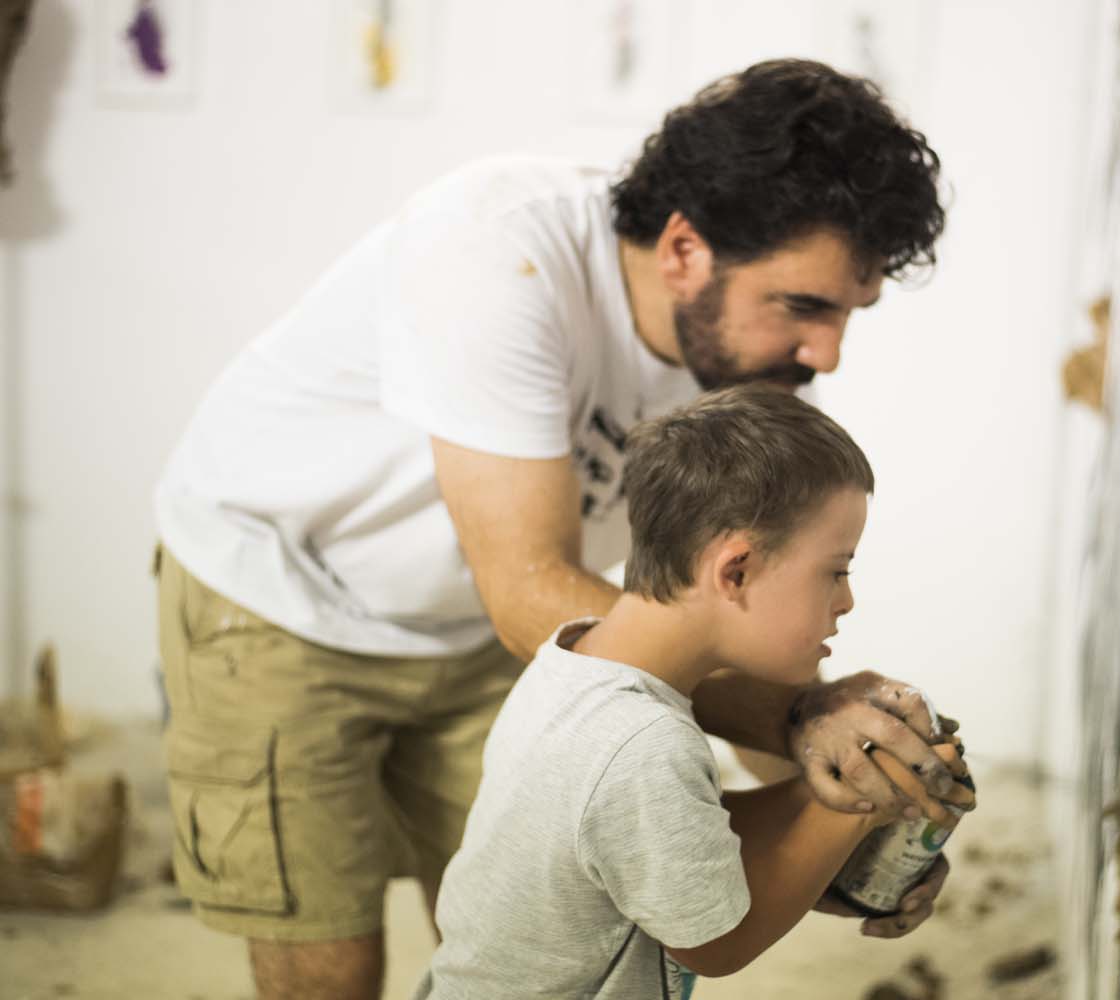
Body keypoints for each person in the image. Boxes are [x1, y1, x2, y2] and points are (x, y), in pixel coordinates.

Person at [153, 58, 953, 999]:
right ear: (685, 249)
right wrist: (811, 726)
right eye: (804, 307)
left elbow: (718, 613)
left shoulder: (740, 347)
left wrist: (861, 810)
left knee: (542, 919)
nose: (825, 352)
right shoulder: (500, 255)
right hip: (282, 597)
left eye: (848, 314)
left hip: (491, 630)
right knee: (330, 961)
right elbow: (529, 589)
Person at [416, 384, 974, 1000]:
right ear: (735, 571)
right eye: (835, 571)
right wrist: (861, 804)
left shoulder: (574, 664)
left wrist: (857, 804)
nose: (846, 600)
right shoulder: (642, 743)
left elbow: (686, 832)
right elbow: (715, 942)